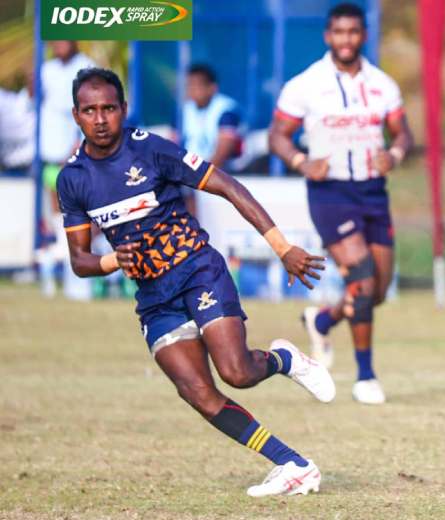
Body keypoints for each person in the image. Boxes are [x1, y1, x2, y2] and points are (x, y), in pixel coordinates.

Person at [57, 68, 336, 497]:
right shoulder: (73, 179)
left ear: (123, 110)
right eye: (89, 110)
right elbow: (79, 260)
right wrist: (112, 260)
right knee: (198, 393)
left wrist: (281, 247)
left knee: (237, 372)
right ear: (76, 115)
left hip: (196, 270)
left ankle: (284, 360)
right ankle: (293, 465)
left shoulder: (150, 149)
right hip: (154, 297)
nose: (100, 119)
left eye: (108, 108)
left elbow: (227, 186)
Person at [269, 3, 413, 404]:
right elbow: (277, 136)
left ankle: (322, 320)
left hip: (373, 192)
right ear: (328, 36)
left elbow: (403, 135)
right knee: (362, 279)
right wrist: (301, 162)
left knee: (376, 291)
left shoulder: (383, 85)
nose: (346, 39)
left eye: (353, 32)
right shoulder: (305, 85)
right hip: (330, 192)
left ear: (363, 35)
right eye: (339, 32)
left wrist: (394, 155)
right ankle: (366, 377)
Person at [39, 41, 95, 299]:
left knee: (78, 218)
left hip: (76, 161)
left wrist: (77, 147)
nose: (59, 45)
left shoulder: (85, 66)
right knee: (57, 221)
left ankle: (79, 280)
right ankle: (58, 269)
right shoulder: (46, 69)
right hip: (51, 160)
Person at [183, 63, 243, 169]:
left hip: (224, 172)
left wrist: (202, 173)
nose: (192, 90)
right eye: (189, 85)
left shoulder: (227, 110)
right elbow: (172, 146)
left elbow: (223, 152)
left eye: (197, 85)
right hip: (190, 173)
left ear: (212, 88)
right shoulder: (183, 110)